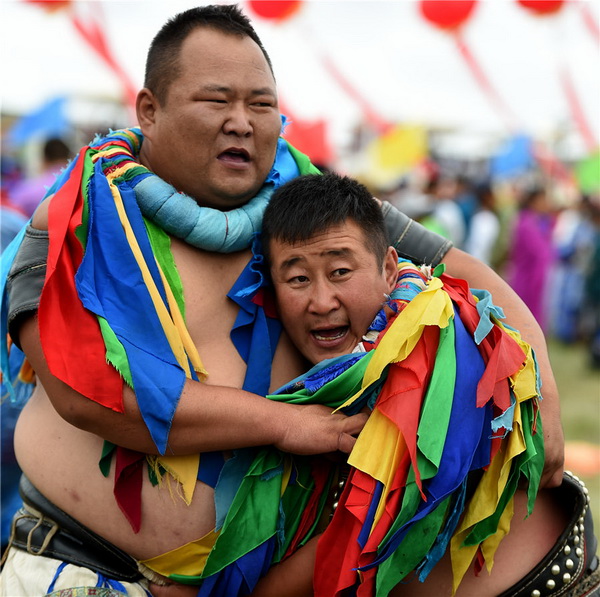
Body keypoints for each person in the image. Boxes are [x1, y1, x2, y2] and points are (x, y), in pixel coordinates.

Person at [0, 5, 564, 595]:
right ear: (149, 109)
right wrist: (283, 423)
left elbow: (467, 273)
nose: (241, 122)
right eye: (217, 101)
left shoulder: (314, 202)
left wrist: (543, 385)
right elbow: (86, 394)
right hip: (77, 566)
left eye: (261, 105)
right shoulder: (79, 216)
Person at [258, 172, 599, 596]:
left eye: (341, 271)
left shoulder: (435, 341)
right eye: (297, 280)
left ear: (388, 268)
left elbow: (360, 532)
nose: (322, 301)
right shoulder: (347, 371)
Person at [8, 137, 72, 217]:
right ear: (70, 156)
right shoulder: (82, 183)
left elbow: (11, 211)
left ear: (45, 159)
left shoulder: (28, 189)